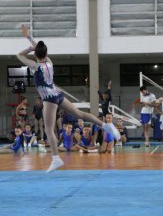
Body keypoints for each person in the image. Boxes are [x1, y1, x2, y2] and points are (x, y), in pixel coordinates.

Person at [17, 25, 120, 172]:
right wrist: (29, 38)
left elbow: (19, 56)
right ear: (46, 53)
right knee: (81, 114)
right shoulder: (49, 62)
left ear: (35, 54)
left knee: (48, 130)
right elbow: (39, 49)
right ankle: (106, 126)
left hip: (50, 99)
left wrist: (29, 47)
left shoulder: (35, 66)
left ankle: (56, 158)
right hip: (58, 95)